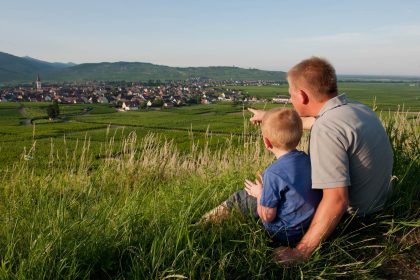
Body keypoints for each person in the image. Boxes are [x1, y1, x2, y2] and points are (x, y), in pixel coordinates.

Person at [248, 57, 393, 264]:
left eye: (291, 95)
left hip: (354, 217)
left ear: (302, 95)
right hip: (377, 204)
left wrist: (299, 253)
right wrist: (268, 116)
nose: (290, 100)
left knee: (245, 198)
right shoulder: (358, 109)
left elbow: (337, 200)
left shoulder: (326, 130)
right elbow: (316, 120)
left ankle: (198, 227)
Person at [200, 107, 323, 242]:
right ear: (299, 137)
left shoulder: (273, 173)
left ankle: (200, 226)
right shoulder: (308, 160)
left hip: (284, 233)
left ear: (266, 142)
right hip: (309, 227)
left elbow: (267, 216)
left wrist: (259, 194)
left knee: (239, 198)